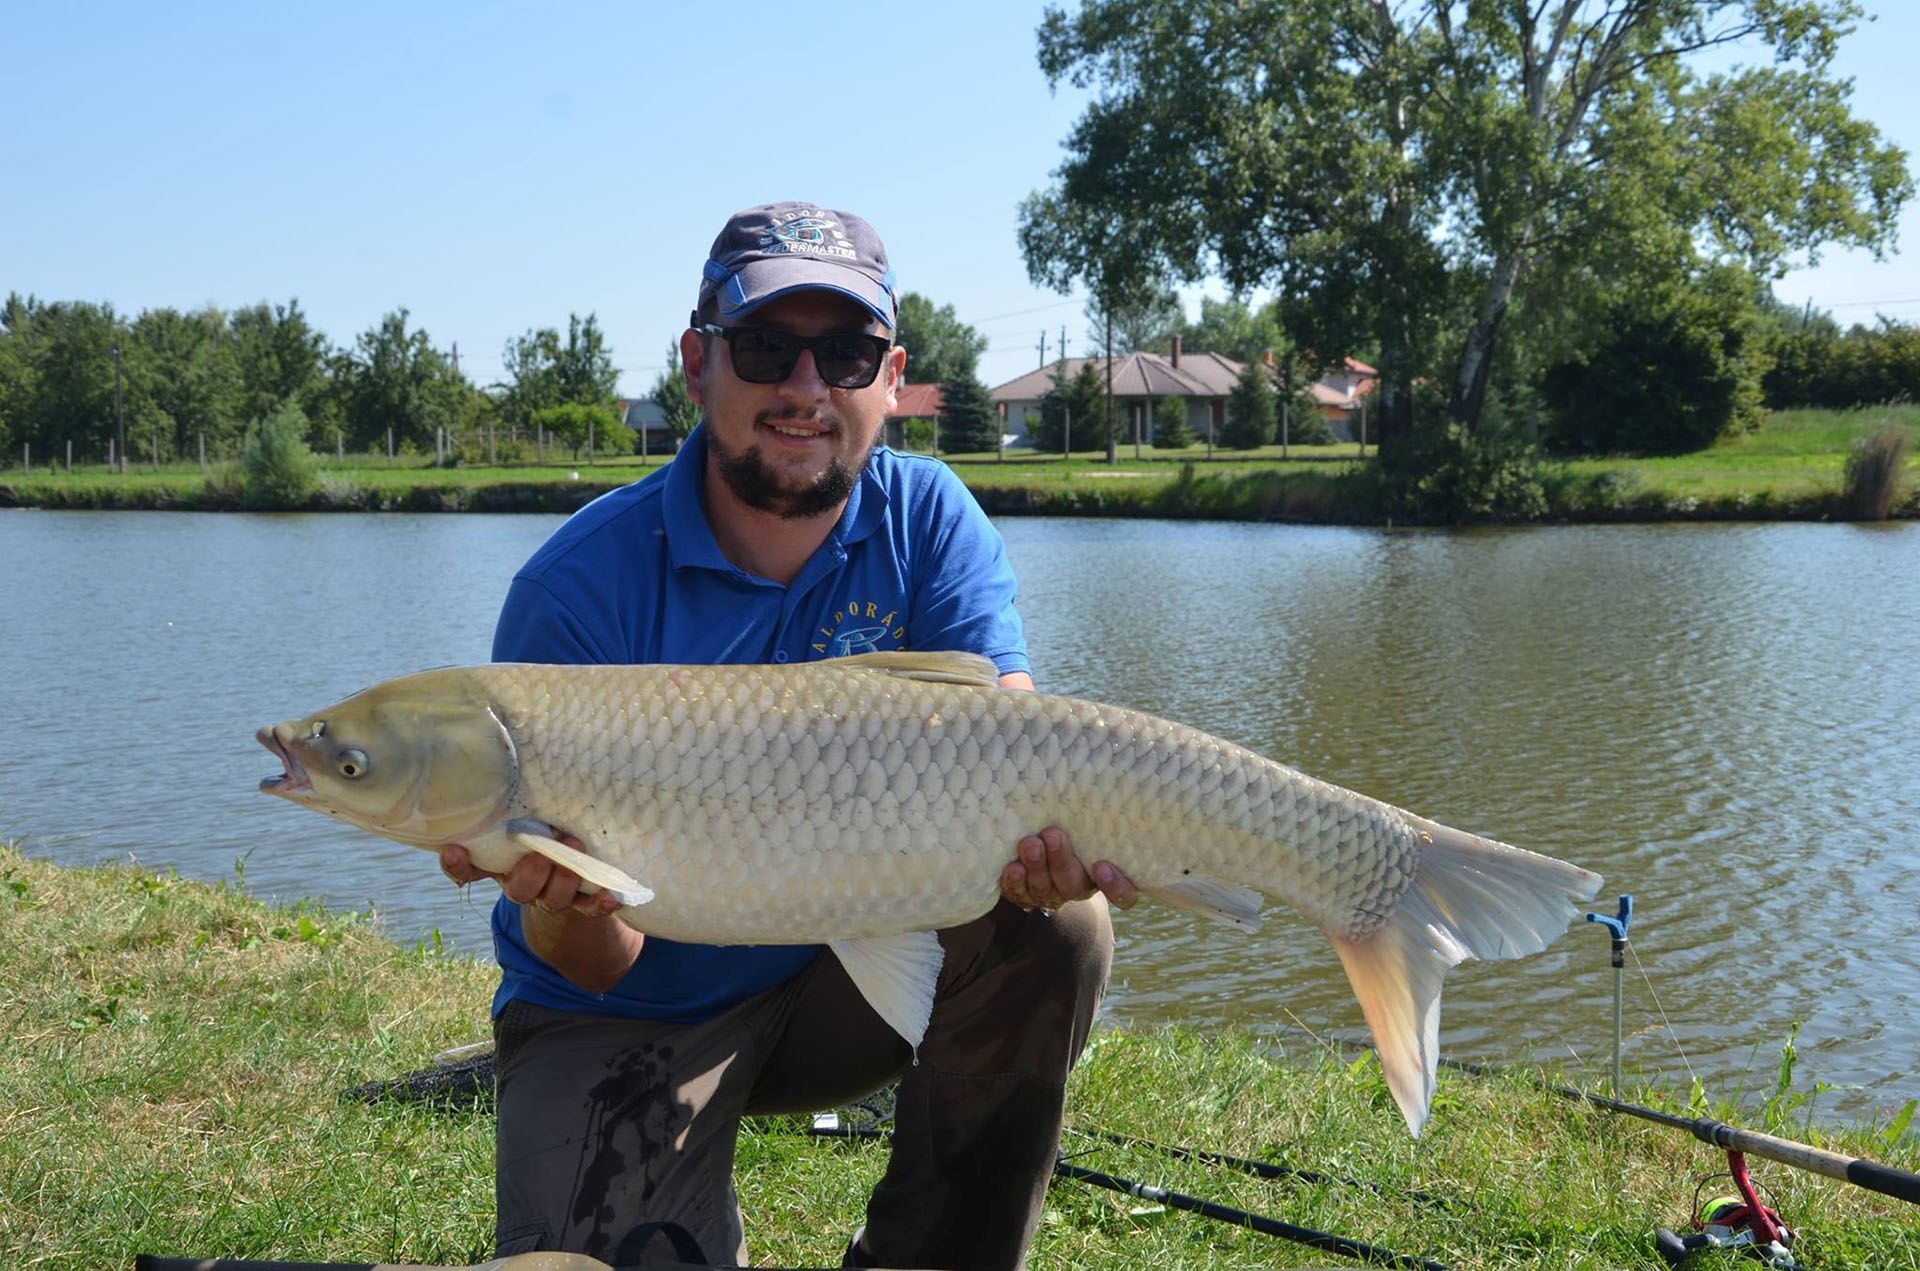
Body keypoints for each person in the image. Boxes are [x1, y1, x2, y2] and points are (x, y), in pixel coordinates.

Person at [439, 201, 1137, 1270]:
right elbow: (598, 962)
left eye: (848, 354)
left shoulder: (930, 521)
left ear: (891, 379)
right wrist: (565, 903)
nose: (806, 389)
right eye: (766, 346)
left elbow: (1016, 756)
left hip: (840, 979)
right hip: (627, 1008)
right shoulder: (574, 590)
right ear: (698, 364)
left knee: (1058, 924)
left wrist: (1054, 847)